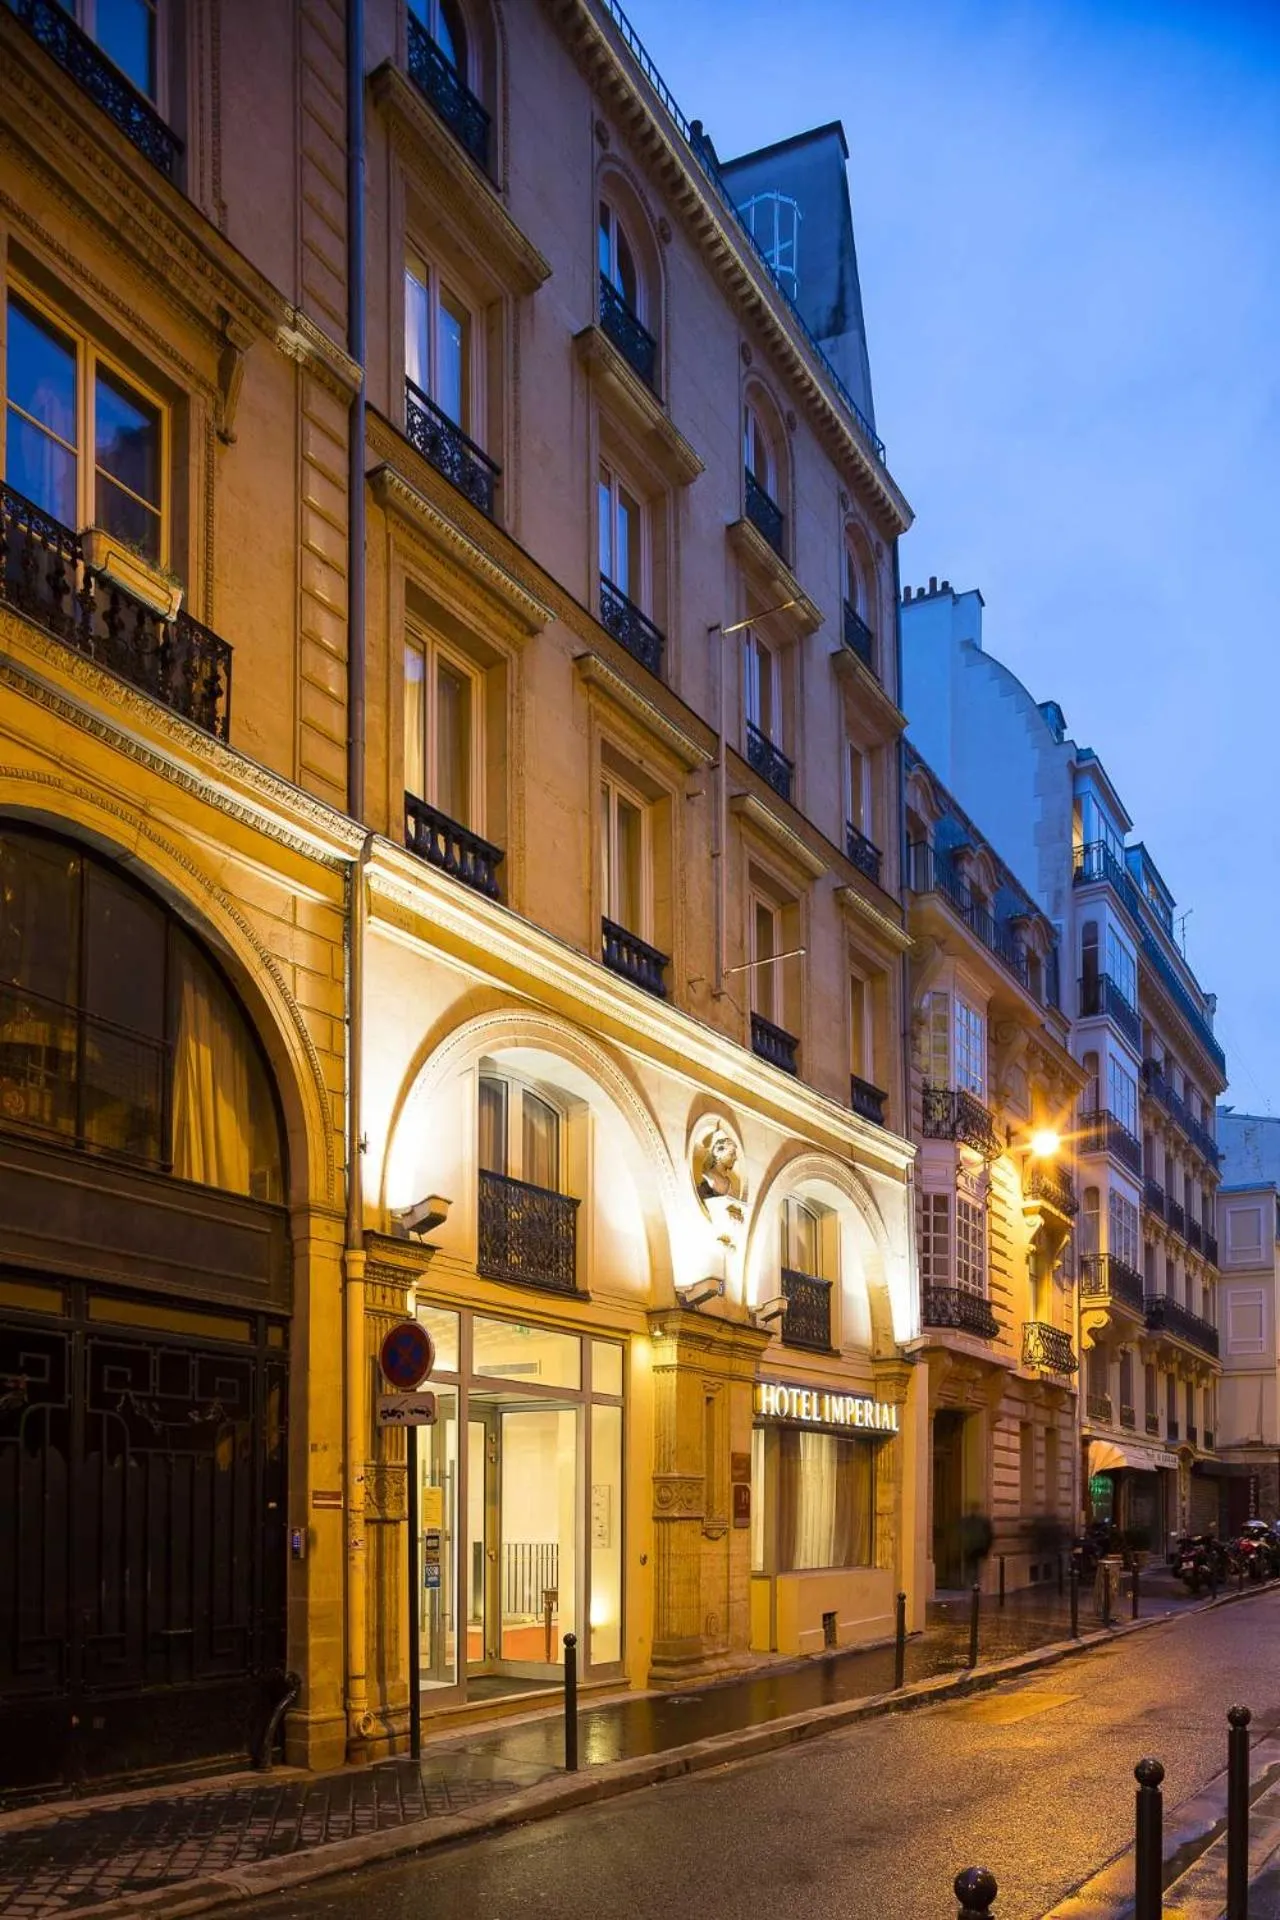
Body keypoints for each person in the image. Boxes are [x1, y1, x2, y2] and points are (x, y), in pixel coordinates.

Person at [958, 1504, 994, 1586]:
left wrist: (987, 1549)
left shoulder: (981, 1521)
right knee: (974, 1568)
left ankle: (975, 1583)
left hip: (977, 1549)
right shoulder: (969, 1521)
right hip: (973, 1549)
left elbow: (989, 1536)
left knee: (975, 1568)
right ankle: (975, 1583)